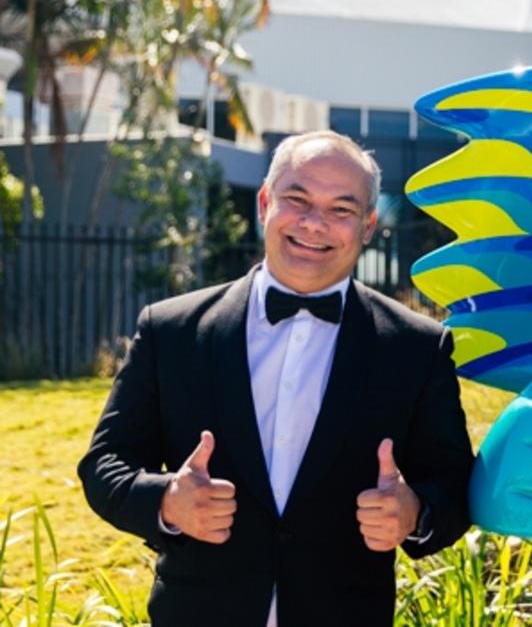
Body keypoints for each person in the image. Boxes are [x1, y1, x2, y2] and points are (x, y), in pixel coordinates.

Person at [78, 130, 474, 627]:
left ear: (369, 225)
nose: (314, 223)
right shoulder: (171, 330)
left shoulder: (418, 347)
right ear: (265, 203)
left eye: (341, 210)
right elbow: (104, 464)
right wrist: (168, 503)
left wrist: (415, 512)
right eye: (297, 198)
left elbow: (456, 484)